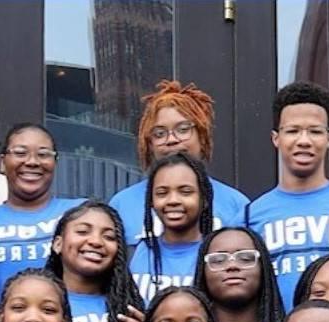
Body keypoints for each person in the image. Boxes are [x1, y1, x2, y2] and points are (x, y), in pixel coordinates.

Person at [245, 82, 329, 301]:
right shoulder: (248, 217)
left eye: (315, 131)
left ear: (328, 139)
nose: (304, 141)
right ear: (276, 138)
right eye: (292, 131)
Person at [105, 80, 251, 245]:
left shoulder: (235, 204)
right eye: (159, 133)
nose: (172, 140)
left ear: (202, 137)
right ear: (149, 144)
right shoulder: (122, 204)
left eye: (183, 130)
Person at [0, 123, 81, 307]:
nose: (32, 162)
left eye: (43, 154)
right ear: (3, 162)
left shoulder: (79, 213)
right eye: (20, 153)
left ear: (55, 163)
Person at [42, 201, 153, 322]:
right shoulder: (39, 306)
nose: (95, 241)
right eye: (82, 231)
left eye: (109, 237)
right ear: (57, 244)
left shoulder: (132, 309)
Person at [132, 153, 216, 302]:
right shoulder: (136, 253)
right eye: (162, 193)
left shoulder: (218, 255)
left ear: (204, 199)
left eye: (185, 192)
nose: (173, 200)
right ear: (151, 200)